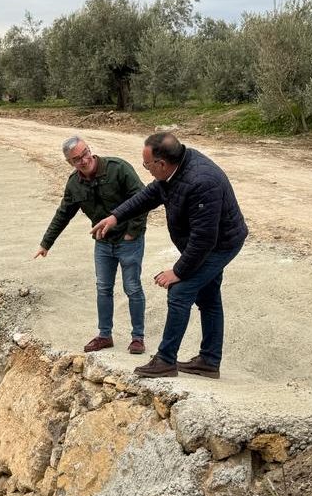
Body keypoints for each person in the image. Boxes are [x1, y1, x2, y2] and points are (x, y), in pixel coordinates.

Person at [91, 132, 247, 378]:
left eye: (147, 165)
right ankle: (209, 360)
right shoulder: (174, 171)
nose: (146, 170)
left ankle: (165, 360)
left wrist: (177, 272)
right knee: (208, 297)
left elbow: (204, 240)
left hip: (220, 244)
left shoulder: (201, 181)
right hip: (207, 242)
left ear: (161, 163)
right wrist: (115, 216)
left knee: (180, 291)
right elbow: (148, 196)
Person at [35, 136, 149, 354]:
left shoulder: (118, 168)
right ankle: (105, 335)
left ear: (90, 150)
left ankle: (138, 338)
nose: (84, 160)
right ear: (70, 163)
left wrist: (132, 232)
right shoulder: (74, 184)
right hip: (103, 243)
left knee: (132, 288)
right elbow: (63, 214)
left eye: (85, 153)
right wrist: (46, 243)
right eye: (77, 159)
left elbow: (142, 198)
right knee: (103, 288)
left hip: (128, 241)